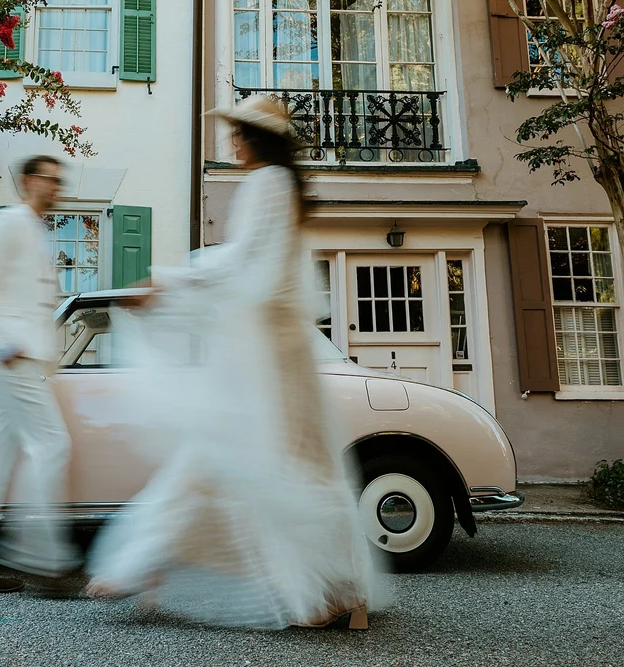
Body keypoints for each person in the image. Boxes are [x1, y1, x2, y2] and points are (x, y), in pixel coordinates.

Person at [85, 97, 377, 629]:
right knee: (292, 465)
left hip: (263, 353)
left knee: (234, 454)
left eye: (239, 134)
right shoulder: (286, 189)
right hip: (278, 348)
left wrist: (166, 281)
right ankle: (337, 591)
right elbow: (257, 268)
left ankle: (144, 564)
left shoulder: (266, 184)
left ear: (257, 139)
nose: (232, 143)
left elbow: (242, 260)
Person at [0, 155, 81, 596]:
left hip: (20, 357)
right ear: (28, 181)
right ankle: (42, 559)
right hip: (8, 355)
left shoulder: (36, 231)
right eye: (51, 179)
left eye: (61, 180)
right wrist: (7, 344)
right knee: (52, 444)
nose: (57, 186)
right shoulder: (5, 224)